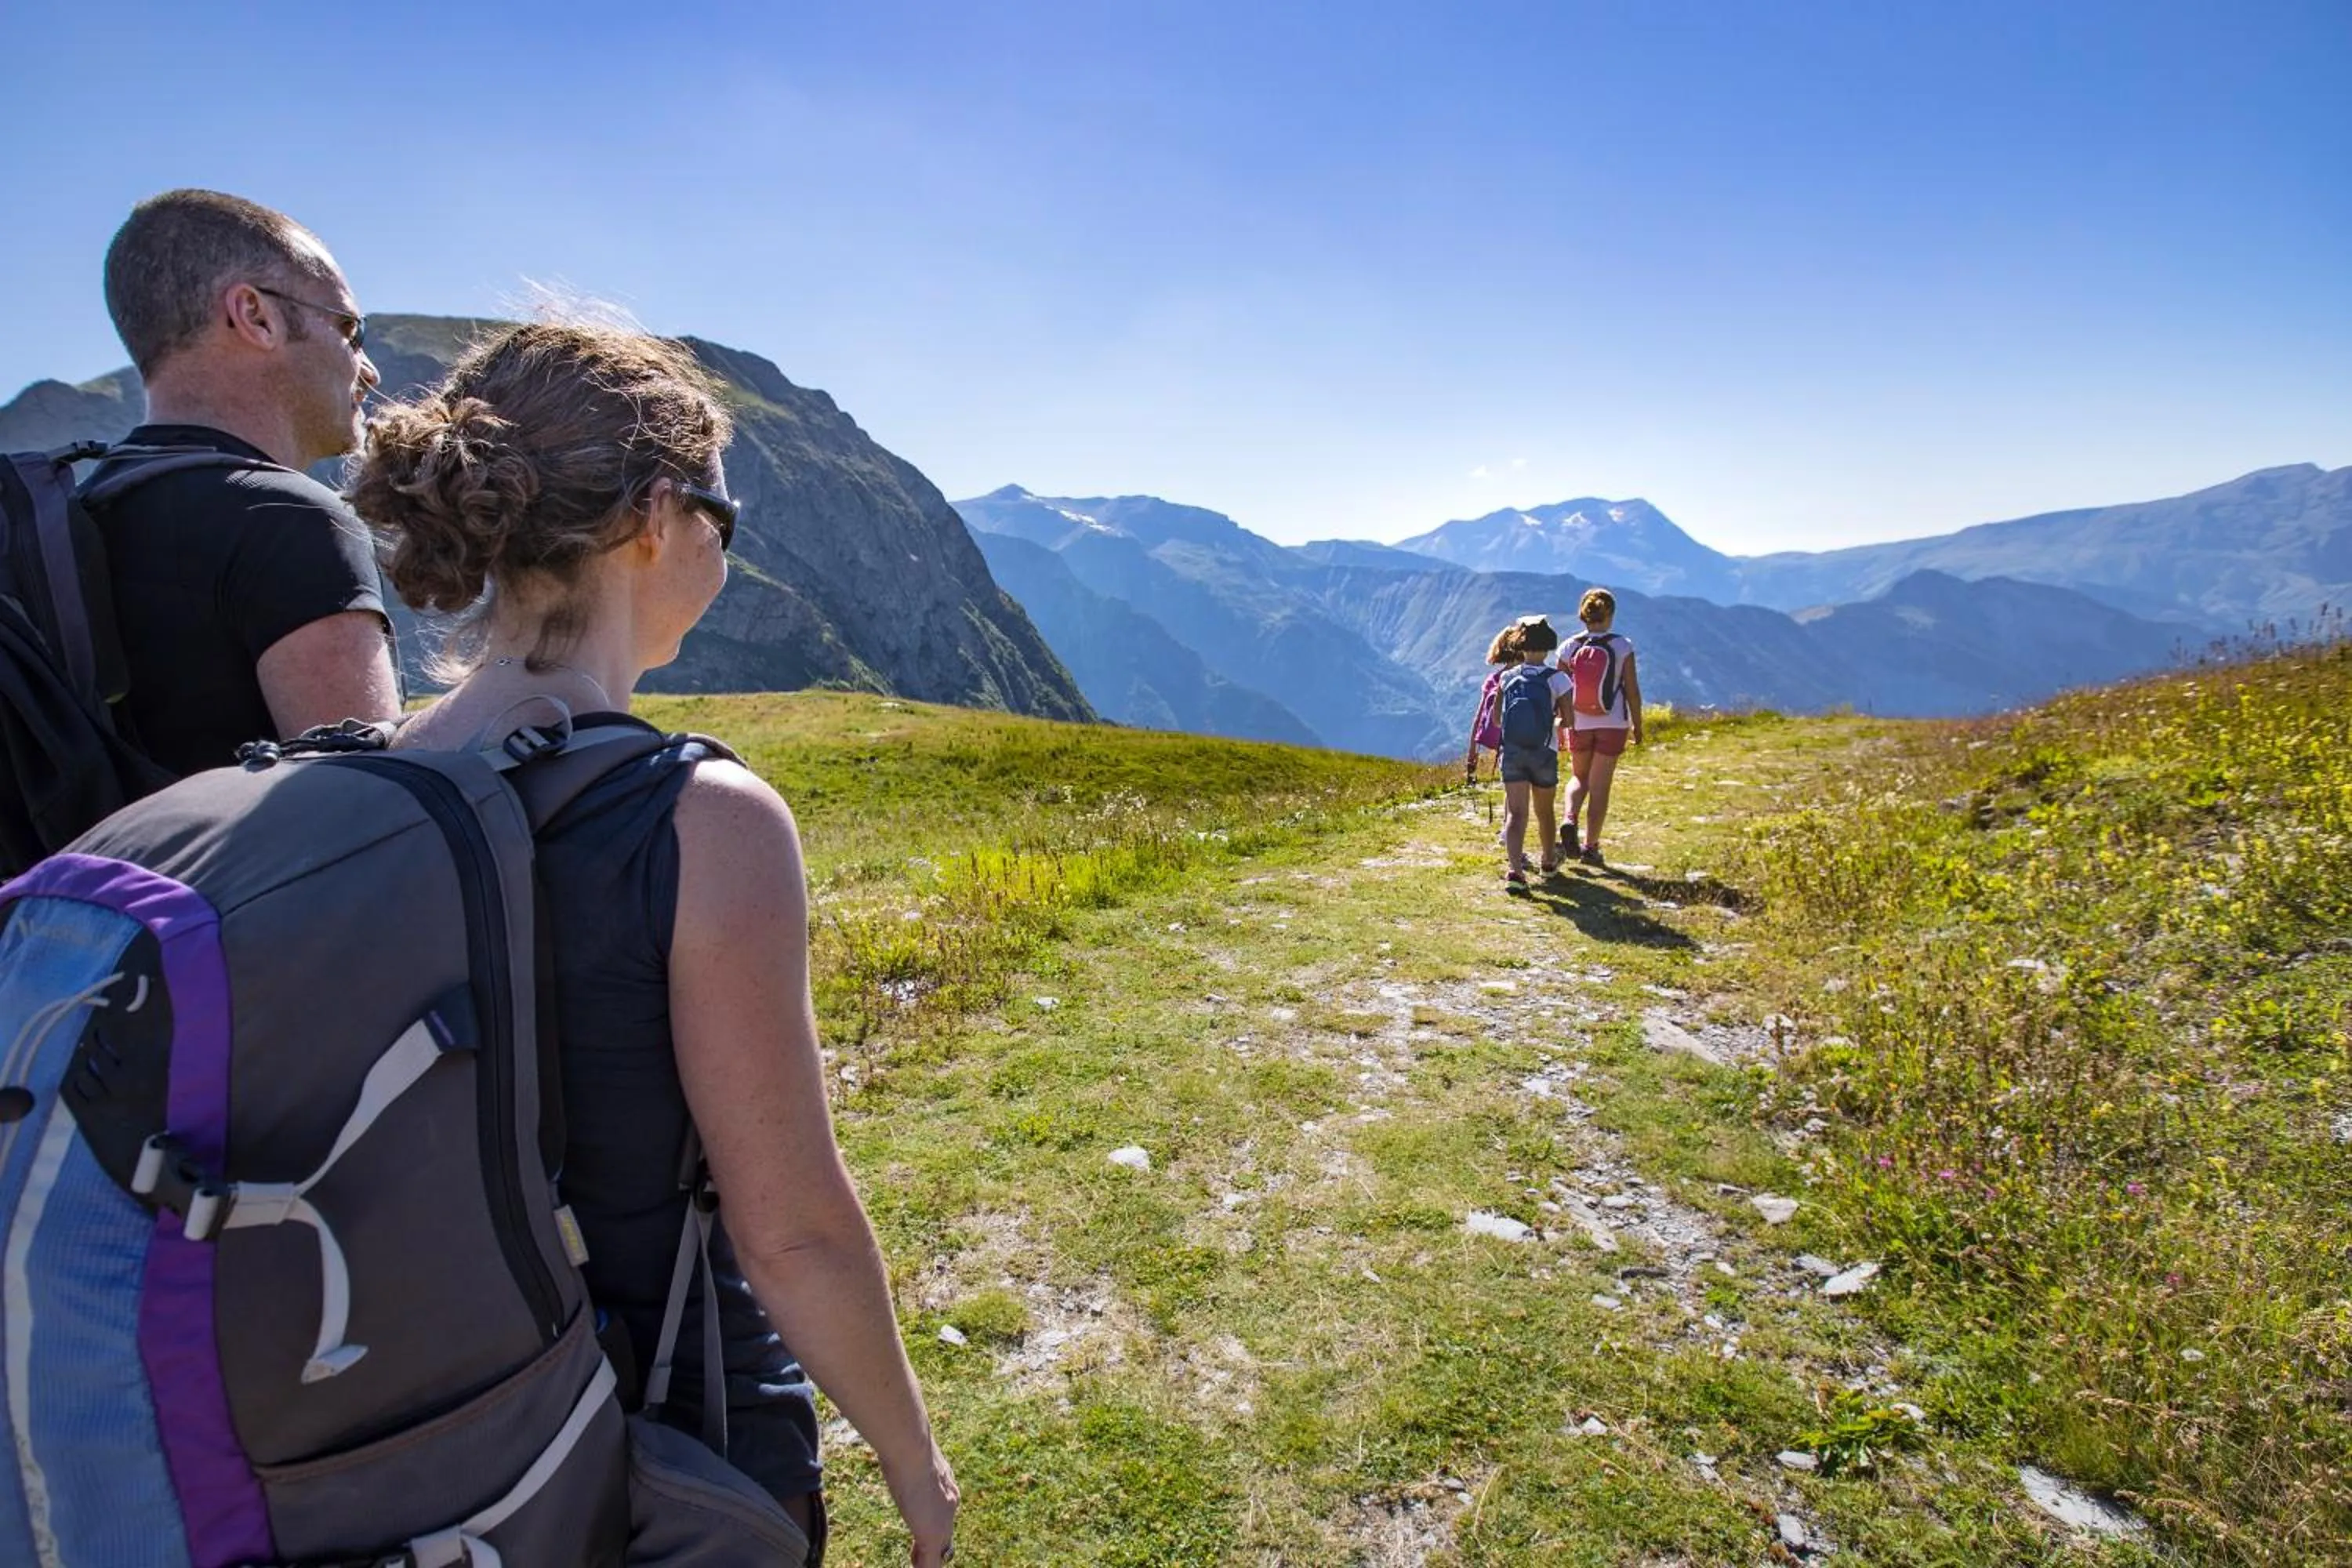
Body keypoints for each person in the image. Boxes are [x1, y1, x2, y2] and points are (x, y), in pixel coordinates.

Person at [350, 321, 957, 1566]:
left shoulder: (364, 780)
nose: (725, 552)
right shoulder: (699, 820)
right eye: (720, 520)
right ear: (654, 518)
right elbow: (788, 1232)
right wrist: (914, 1456)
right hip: (672, 1442)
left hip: (416, 1430)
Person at [93, 188, 401, 777]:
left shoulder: (86, 508)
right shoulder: (290, 521)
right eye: (350, 329)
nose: (368, 367)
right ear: (255, 316)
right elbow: (372, 815)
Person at [1560, 587, 1642, 867]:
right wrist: (1638, 725)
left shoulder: (1569, 647)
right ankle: (1590, 847)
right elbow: (1632, 690)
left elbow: (1559, 690)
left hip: (1579, 722)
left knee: (1578, 777)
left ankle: (1569, 819)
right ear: (1610, 615)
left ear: (1583, 615)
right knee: (1600, 787)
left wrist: (1561, 723)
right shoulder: (1622, 646)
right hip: (1613, 722)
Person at [1491, 615, 1573, 887]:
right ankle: (1548, 862)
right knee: (1545, 811)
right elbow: (1569, 721)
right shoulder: (1558, 680)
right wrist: (1550, 722)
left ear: (1520, 645)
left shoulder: (1507, 677)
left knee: (1516, 813)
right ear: (1548, 645)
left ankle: (1515, 871)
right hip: (1543, 752)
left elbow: (1497, 720)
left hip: (1513, 753)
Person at [1463, 621, 1521, 782]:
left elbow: (1479, 716)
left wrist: (1472, 752)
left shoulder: (1493, 680)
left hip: (1499, 742)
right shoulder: (1530, 677)